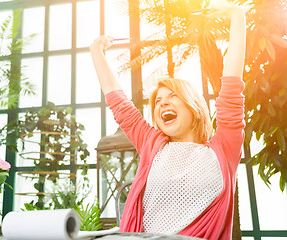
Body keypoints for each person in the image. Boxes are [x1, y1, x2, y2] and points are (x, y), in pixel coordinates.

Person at [89, 0, 246, 239]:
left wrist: (237, 15)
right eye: (158, 100)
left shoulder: (224, 148)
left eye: (173, 96)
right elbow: (120, 104)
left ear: (193, 107)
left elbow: (232, 89)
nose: (162, 103)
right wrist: (96, 52)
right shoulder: (153, 144)